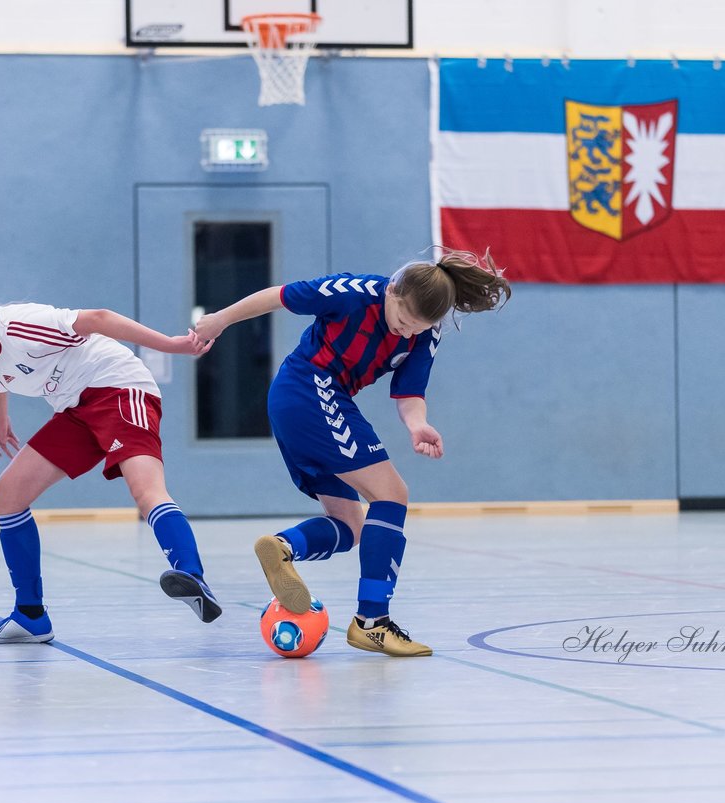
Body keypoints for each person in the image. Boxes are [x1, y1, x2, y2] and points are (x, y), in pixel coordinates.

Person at [193, 248, 510, 657]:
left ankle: (284, 547)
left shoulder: (425, 334)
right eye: (402, 322)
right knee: (392, 495)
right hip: (308, 390)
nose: (408, 334)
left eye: (419, 328)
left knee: (353, 525)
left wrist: (417, 425)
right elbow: (279, 295)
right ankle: (372, 622)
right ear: (392, 292)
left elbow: (410, 393)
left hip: (319, 401)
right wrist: (219, 320)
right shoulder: (351, 291)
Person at [0, 280, 219, 644]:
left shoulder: (20, 323)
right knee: (8, 495)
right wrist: (2, 421)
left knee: (145, 490)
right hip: (76, 409)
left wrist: (173, 346)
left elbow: (99, 318)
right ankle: (30, 616)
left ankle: (191, 576)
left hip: (118, 388)